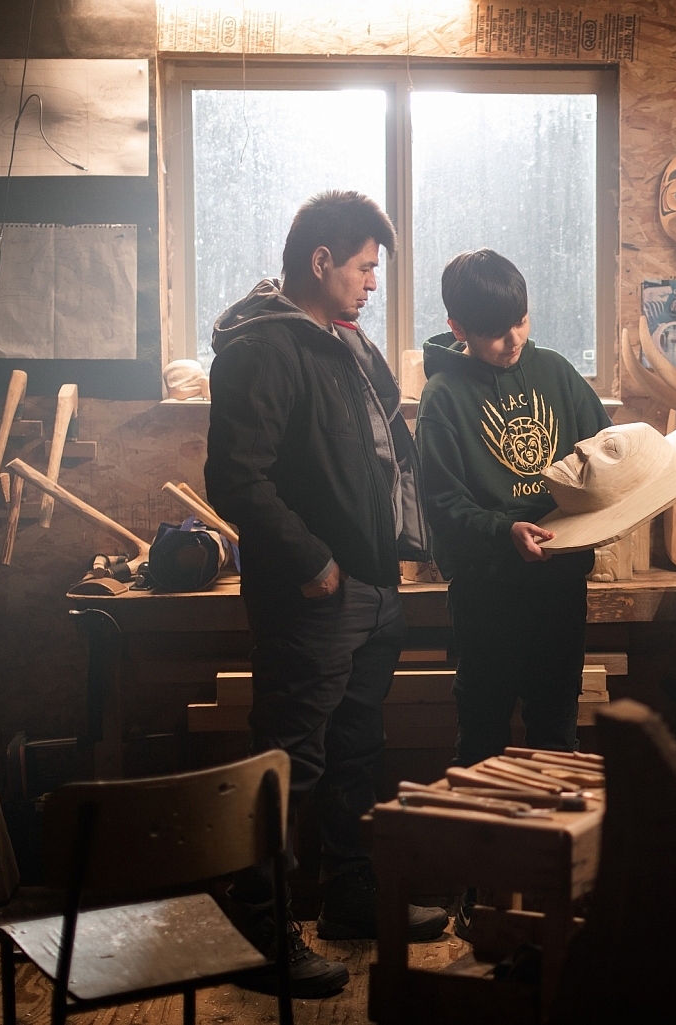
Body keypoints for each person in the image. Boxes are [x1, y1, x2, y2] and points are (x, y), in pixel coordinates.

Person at [205, 190, 446, 998]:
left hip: (372, 587)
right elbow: (236, 476)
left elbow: (384, 458)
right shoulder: (264, 348)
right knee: (289, 760)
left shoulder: (343, 344)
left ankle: (350, 895)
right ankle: (259, 924)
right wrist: (313, 561)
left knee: (355, 752)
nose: (373, 284)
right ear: (321, 263)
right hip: (316, 595)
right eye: (364, 268)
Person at [415, 249, 611, 766]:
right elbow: (442, 503)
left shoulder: (556, 372)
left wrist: (620, 504)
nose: (514, 340)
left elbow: (606, 453)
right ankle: (485, 845)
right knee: (483, 732)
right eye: (496, 332)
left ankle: (556, 845)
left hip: (560, 585)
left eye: (521, 321)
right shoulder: (441, 397)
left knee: (556, 729)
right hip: (488, 593)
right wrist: (505, 532)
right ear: (457, 327)